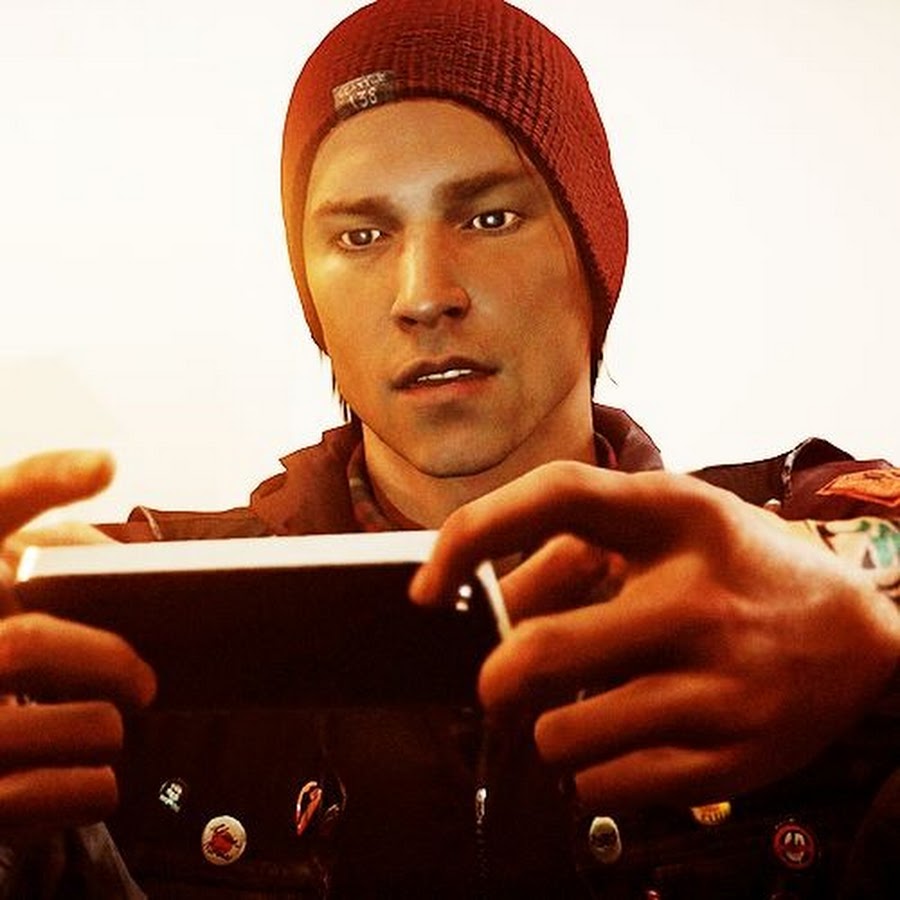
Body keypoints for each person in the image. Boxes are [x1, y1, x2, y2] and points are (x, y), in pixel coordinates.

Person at [1, 0, 899, 896]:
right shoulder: (125, 610)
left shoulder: (790, 542)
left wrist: (882, 652)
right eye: (361, 236)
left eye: (489, 218)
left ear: (594, 256)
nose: (424, 294)